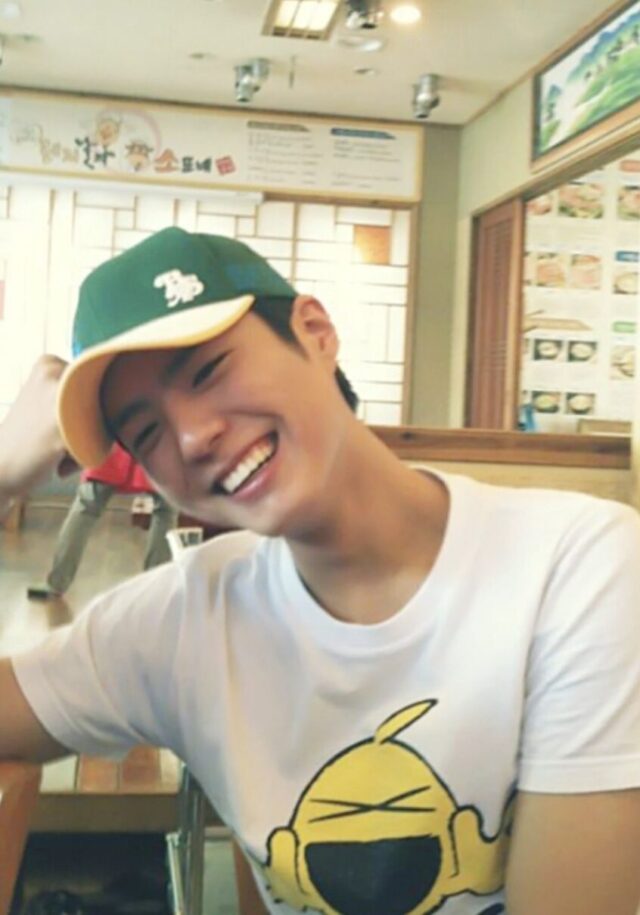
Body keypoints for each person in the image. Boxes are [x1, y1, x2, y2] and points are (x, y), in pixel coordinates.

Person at [0, 227, 639, 915]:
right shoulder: (183, 619)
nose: (191, 436)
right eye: (147, 431)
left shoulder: (575, 570)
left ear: (315, 332)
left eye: (208, 371)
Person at [27, 442, 175, 600]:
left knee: (86, 507)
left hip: (111, 443)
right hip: (155, 444)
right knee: (166, 510)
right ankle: (155, 587)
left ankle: (57, 583)